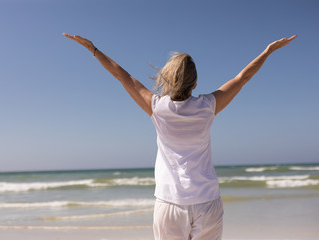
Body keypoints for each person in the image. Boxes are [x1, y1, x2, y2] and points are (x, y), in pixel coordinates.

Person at [63, 32, 296, 240]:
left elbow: (121, 75)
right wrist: (268, 51)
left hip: (169, 203)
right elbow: (242, 78)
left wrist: (93, 50)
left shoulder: (156, 106)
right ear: (194, 83)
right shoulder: (207, 106)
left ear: (166, 79)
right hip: (207, 202)